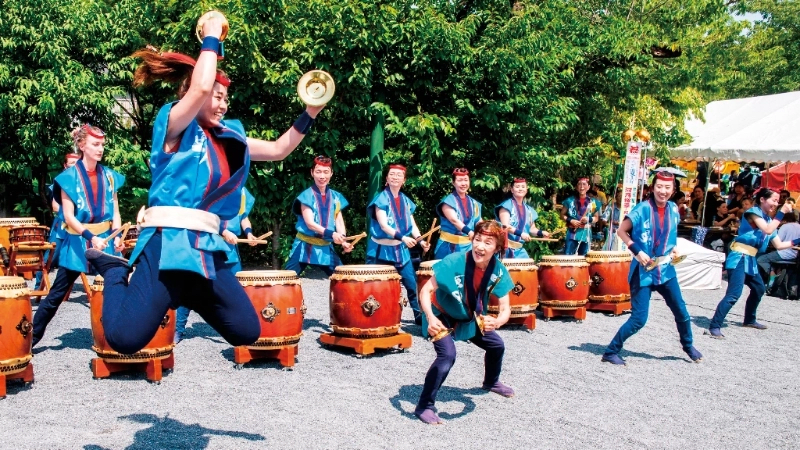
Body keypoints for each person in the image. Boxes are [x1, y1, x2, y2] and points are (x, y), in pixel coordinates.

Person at [84, 18, 323, 354]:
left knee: (246, 330)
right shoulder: (172, 126)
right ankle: (113, 270)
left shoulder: (229, 138)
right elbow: (199, 88)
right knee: (124, 339)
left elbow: (278, 149)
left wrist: (310, 112)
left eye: (226, 98)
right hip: (167, 242)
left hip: (206, 249)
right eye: (217, 96)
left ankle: (191, 292)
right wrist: (211, 37)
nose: (223, 104)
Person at [32, 125, 125, 347]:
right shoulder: (68, 178)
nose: (100, 149)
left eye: (102, 145)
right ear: (82, 145)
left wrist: (117, 236)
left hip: (105, 240)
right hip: (78, 243)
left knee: (120, 287)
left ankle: (123, 341)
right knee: (56, 294)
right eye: (95, 144)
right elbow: (68, 216)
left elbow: (115, 211)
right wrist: (90, 237)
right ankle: (29, 340)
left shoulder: (110, 176)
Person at [415, 220, 515, 424]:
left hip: (469, 317)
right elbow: (426, 290)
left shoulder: (498, 270)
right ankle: (424, 406)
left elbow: (506, 308)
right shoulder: (454, 261)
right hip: (440, 315)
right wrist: (430, 317)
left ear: (497, 248)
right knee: (447, 355)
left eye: (488, 243)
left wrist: (497, 321)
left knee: (496, 345)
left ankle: (491, 382)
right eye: (477, 239)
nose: (480, 246)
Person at [601, 169, 703, 365]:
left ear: (673, 190)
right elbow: (621, 231)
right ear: (652, 188)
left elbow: (670, 235)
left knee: (681, 311)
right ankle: (611, 351)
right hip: (643, 271)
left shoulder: (674, 209)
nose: (663, 191)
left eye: (667, 187)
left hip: (665, 269)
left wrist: (673, 250)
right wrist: (638, 251)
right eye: (659, 186)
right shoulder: (642, 209)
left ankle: (688, 346)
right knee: (639, 319)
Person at [708, 188, 800, 338]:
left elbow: (779, 245)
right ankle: (714, 326)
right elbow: (768, 230)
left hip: (750, 259)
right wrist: (782, 212)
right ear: (762, 199)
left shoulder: (769, 221)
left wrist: (798, 240)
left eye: (777, 201)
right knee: (734, 294)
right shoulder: (752, 212)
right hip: (739, 256)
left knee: (759, 289)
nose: (776, 203)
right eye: (774, 200)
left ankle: (749, 319)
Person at [174, 187, 256, 343]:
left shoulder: (242, 190)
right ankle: (178, 329)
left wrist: (249, 233)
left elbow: (243, 216)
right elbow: (201, 216)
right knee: (192, 287)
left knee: (239, 289)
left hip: (231, 247)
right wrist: (223, 231)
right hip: (208, 244)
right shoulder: (212, 184)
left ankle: (239, 330)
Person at [366, 164, 429, 325]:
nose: (395, 177)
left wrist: (421, 240)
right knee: (374, 286)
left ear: (404, 180)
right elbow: (384, 225)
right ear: (386, 179)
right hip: (380, 250)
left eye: (399, 175)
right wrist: (403, 238)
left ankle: (419, 317)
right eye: (392, 174)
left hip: (400, 250)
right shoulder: (381, 199)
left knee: (411, 284)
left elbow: (411, 224)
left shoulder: (405, 201)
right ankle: (373, 319)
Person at [284, 155, 352, 276]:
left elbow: (339, 221)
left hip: (326, 247)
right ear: (312, 173)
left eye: (326, 172)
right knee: (287, 279)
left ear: (331, 173)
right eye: (318, 171)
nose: (322, 176)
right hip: (304, 245)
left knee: (342, 277)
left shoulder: (336, 197)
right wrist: (333, 234)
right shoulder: (306, 196)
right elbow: (310, 224)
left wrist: (343, 240)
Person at [434, 168, 483, 259]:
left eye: (466, 180)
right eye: (460, 180)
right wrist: (469, 232)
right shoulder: (448, 202)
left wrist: (487, 230)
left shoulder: (474, 203)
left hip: (468, 246)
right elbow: (454, 220)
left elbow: (478, 221)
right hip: (449, 246)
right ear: (453, 183)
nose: (463, 183)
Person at [495, 178, 549, 258]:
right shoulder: (506, 206)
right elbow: (505, 226)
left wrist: (541, 233)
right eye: (517, 187)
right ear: (512, 190)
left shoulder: (529, 210)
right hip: (504, 249)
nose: (520, 189)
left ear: (526, 190)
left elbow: (532, 229)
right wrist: (521, 234)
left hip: (519, 250)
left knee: (529, 265)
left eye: (523, 187)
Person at [757, 212, 800, 284]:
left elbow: (777, 241)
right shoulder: (799, 226)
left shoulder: (785, 226)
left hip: (783, 253)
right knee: (771, 259)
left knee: (760, 259)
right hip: (795, 255)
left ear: (784, 220)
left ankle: (772, 274)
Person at [562, 177, 601, 255]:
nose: (582, 187)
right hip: (572, 232)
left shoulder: (593, 202)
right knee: (568, 258)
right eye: (579, 184)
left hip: (585, 233)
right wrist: (571, 220)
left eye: (584, 184)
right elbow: (562, 215)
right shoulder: (569, 201)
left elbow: (596, 218)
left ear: (588, 187)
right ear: (576, 187)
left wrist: (588, 219)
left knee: (584, 258)